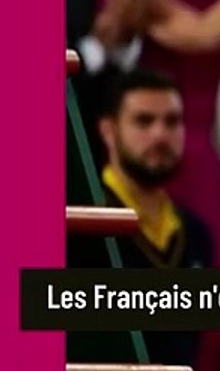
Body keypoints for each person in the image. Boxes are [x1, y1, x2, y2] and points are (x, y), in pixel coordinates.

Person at [67, 69, 212, 368]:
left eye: (172, 121)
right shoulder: (79, 220)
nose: (160, 134)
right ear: (108, 130)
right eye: (143, 121)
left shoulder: (196, 233)